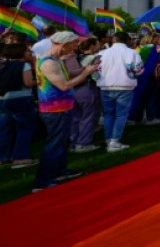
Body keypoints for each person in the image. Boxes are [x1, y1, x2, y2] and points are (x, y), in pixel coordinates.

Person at [33, 32, 99, 192]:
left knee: (62, 142)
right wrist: (85, 74)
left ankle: (60, 171)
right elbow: (64, 85)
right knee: (54, 144)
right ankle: (43, 180)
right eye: (73, 45)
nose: (75, 48)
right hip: (55, 109)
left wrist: (84, 69)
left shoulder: (56, 60)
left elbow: (66, 75)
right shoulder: (49, 63)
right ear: (64, 44)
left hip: (63, 107)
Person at [97, 32, 144, 152]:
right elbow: (138, 70)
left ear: (114, 40)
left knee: (108, 114)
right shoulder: (132, 53)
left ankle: (109, 139)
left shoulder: (102, 53)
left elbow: (95, 71)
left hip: (106, 86)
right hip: (124, 86)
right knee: (121, 115)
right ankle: (114, 140)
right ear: (127, 40)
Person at [0, 41, 38, 168]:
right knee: (25, 128)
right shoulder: (24, 65)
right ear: (20, 53)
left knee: (6, 129)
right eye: (27, 51)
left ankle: (4, 157)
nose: (30, 53)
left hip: (4, 99)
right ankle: (21, 157)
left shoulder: (4, 65)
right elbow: (28, 83)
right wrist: (40, 80)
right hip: (21, 99)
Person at [67, 37, 102, 153]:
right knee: (88, 117)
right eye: (97, 44)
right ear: (92, 46)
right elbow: (95, 76)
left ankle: (74, 142)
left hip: (73, 88)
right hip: (87, 87)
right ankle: (83, 143)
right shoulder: (95, 59)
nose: (99, 46)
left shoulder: (77, 58)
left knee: (76, 117)